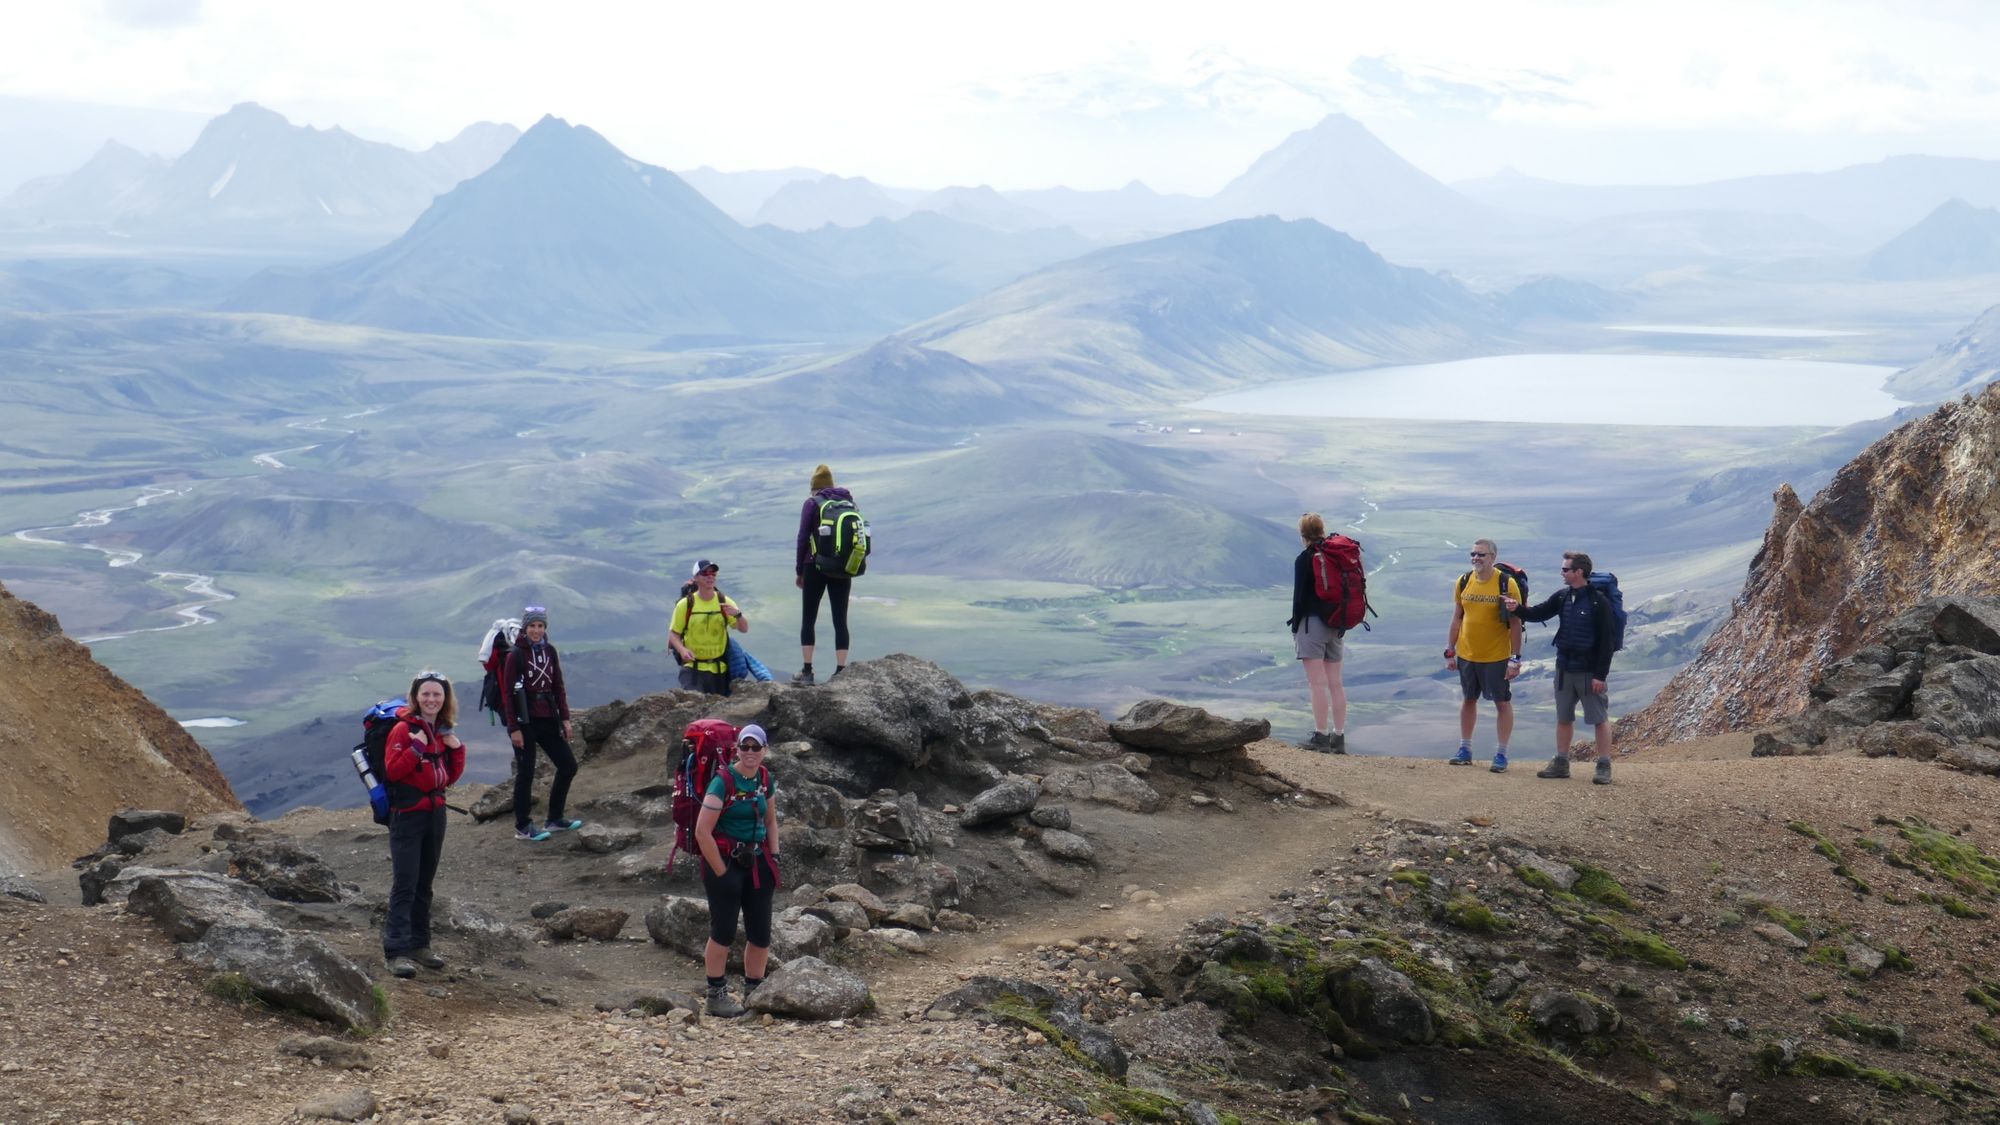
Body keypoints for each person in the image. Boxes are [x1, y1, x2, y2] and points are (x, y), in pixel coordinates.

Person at [1504, 550, 1618, 784]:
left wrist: (1600, 675)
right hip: (1565, 668)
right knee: (1564, 717)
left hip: (1588, 670)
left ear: (1579, 572)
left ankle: (1604, 765)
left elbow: (1607, 642)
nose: (1562, 573)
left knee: (1599, 718)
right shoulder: (1563, 596)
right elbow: (1538, 613)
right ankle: (1561, 763)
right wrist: (1517, 608)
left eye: (1566, 569)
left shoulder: (1599, 602)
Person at [382, 670, 466, 978]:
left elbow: (449, 777)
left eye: (437, 695)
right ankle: (396, 951)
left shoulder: (441, 730)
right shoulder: (403, 730)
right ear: (416, 697)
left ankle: (420, 945)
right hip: (407, 814)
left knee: (424, 884)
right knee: (405, 882)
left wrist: (456, 750)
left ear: (445, 699)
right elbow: (393, 772)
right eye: (426, 694)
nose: (431, 699)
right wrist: (416, 748)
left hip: (435, 813)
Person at [693, 723, 782, 1017]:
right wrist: (721, 872)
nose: (750, 753)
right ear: (737, 749)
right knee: (723, 931)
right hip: (725, 863)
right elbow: (702, 832)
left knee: (760, 931)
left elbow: (770, 821)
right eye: (745, 746)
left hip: (757, 862)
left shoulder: (765, 778)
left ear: (765, 750)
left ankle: (754, 992)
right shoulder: (722, 782)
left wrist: (775, 855)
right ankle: (716, 996)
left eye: (756, 747)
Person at [499, 606, 582, 842]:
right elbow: (508, 693)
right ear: (525, 628)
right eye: (532, 626)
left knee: (568, 766)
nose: (536, 630)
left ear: (545, 628)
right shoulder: (515, 655)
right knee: (526, 772)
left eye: (540, 626)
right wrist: (513, 728)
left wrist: (565, 718)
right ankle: (523, 827)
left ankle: (554, 819)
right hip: (525, 721)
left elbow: (558, 686)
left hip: (548, 717)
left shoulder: (550, 651)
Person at [1445, 539, 1525, 772]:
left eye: (1481, 554)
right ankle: (1465, 749)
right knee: (1469, 699)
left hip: (1497, 656)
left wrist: (1515, 658)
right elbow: (1457, 617)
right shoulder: (1464, 581)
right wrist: (1450, 650)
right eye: (1473, 554)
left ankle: (1501, 754)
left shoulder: (1505, 583)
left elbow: (1516, 622)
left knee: (1502, 702)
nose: (1476, 558)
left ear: (1492, 557)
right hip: (1468, 654)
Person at [1286, 512, 1347, 752]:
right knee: (1336, 684)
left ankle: (1320, 736)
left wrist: (1295, 625)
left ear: (1303, 534)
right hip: (1336, 624)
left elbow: (1299, 597)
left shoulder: (1305, 559)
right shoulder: (1336, 555)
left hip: (1312, 625)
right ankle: (1339, 738)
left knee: (1317, 685)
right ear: (1322, 530)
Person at [793, 463, 854, 685]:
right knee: (841, 619)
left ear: (814, 488)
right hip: (842, 568)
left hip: (814, 566)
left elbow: (802, 539)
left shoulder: (811, 504)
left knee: (809, 618)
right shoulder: (848, 502)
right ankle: (841, 670)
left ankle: (807, 671)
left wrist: (800, 570)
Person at [671, 559, 749, 695]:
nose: (710, 576)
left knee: (716, 711)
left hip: (719, 670)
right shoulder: (685, 604)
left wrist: (737, 615)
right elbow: (673, 634)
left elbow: (743, 629)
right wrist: (682, 650)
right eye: (705, 573)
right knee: (694, 706)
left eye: (713, 573)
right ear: (696, 578)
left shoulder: (724, 601)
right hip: (692, 669)